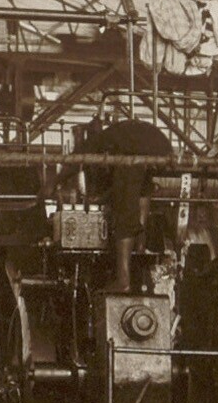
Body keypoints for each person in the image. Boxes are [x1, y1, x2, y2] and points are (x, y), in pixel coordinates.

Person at [71, 117, 174, 292]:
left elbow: (74, 161)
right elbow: (117, 188)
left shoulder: (99, 143)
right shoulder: (118, 136)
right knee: (140, 188)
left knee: (124, 209)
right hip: (162, 148)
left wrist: (52, 183)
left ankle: (123, 279)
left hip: (138, 153)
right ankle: (140, 244)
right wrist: (101, 198)